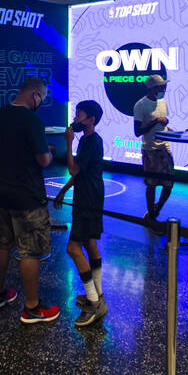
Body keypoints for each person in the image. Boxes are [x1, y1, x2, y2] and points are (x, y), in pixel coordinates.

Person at [0, 77, 60, 323]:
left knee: (2, 244)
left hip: (3, 193)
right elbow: (42, 160)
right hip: (28, 196)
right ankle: (32, 307)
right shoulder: (32, 120)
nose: (42, 101)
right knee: (30, 251)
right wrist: (50, 153)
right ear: (34, 95)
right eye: (43, 97)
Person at [65, 99, 107, 328]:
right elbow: (79, 173)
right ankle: (98, 295)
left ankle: (93, 301)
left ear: (90, 120)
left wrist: (68, 143)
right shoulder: (89, 140)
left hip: (88, 199)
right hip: (90, 196)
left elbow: (73, 168)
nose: (75, 118)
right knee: (90, 244)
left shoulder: (89, 141)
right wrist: (63, 191)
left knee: (72, 248)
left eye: (79, 115)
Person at [133, 74, 173, 224]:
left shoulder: (163, 102)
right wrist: (155, 120)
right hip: (150, 149)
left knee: (169, 184)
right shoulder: (140, 105)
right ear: (152, 88)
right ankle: (151, 214)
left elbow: (163, 125)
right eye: (162, 86)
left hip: (165, 148)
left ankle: (157, 208)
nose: (164, 88)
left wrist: (172, 131)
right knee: (152, 184)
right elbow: (137, 131)